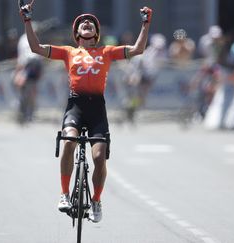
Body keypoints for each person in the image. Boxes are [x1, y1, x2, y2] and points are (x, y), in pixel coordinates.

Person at [19, 4, 152, 223]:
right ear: (77, 33)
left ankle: (96, 200)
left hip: (97, 109)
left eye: (91, 23)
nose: (87, 23)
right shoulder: (68, 52)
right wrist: (27, 20)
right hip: (76, 107)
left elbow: (137, 49)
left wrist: (146, 24)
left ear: (96, 34)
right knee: (69, 141)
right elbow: (36, 48)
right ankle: (64, 193)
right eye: (82, 23)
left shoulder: (106, 52)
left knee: (99, 158)